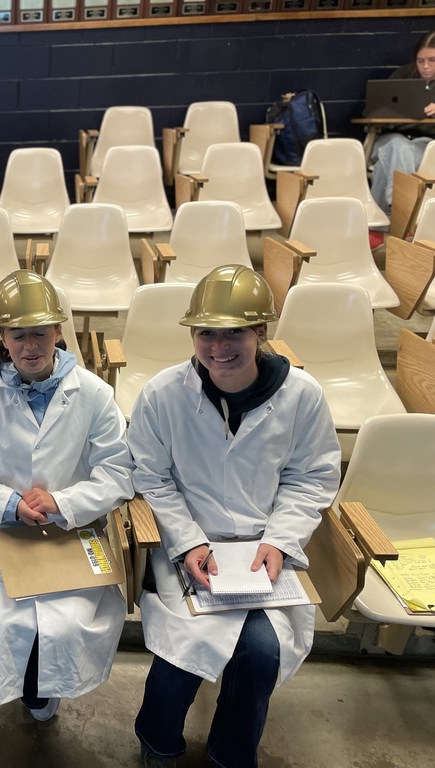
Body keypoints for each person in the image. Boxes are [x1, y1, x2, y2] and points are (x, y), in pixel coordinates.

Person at [128, 265, 341, 768]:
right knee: (182, 654)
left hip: (262, 553)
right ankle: (158, 742)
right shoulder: (163, 394)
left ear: (260, 332)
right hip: (187, 548)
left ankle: (231, 754)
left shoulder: (302, 395)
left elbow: (311, 477)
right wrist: (187, 540)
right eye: (206, 333)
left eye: (234, 333)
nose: (219, 347)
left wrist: (280, 540)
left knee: (260, 653)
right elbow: (150, 477)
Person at [0, 270, 134, 720]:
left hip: (70, 532)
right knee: (3, 621)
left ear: (58, 331)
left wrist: (64, 502)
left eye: (40, 333)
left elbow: (118, 472)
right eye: (18, 335)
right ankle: (30, 687)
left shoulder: (94, 394)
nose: (30, 346)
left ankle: (40, 691)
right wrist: (3, 501)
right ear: (2, 338)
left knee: (66, 623)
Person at [369, 29, 435, 219]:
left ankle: (380, 220)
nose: (425, 66)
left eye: (432, 60)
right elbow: (374, 109)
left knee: (385, 165)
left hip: (430, 142)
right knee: (398, 146)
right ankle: (403, 205)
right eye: (420, 61)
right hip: (392, 138)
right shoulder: (404, 75)